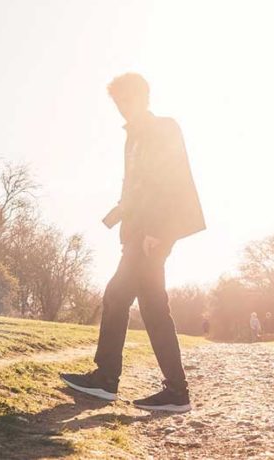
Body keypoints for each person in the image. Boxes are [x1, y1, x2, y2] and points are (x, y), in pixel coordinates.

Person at [61, 73, 205, 412]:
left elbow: (174, 180)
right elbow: (138, 188)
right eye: (118, 103)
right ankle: (176, 392)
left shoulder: (164, 128)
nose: (122, 109)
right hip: (138, 234)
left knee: (116, 295)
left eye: (127, 100)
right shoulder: (133, 138)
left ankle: (107, 379)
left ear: (143, 97)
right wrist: (118, 213)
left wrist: (161, 230)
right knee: (153, 309)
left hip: (151, 236)